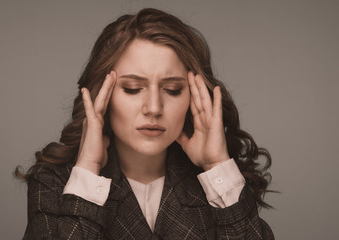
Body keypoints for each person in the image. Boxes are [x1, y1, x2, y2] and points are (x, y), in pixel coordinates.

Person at [16, 8, 274, 239]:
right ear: (101, 96)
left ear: (195, 97)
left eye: (172, 90)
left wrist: (218, 166)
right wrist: (88, 171)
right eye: (132, 88)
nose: (153, 108)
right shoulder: (55, 182)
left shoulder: (220, 182)